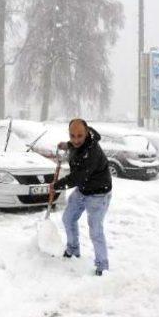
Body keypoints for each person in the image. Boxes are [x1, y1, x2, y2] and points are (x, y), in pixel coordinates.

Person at [52, 118, 112, 276]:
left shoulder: (92, 152)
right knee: (68, 218)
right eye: (72, 136)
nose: (76, 139)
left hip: (99, 194)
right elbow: (76, 145)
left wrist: (57, 185)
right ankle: (73, 249)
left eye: (79, 136)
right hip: (83, 190)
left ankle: (102, 266)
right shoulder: (78, 143)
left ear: (87, 133)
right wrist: (67, 145)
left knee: (95, 230)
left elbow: (78, 177)